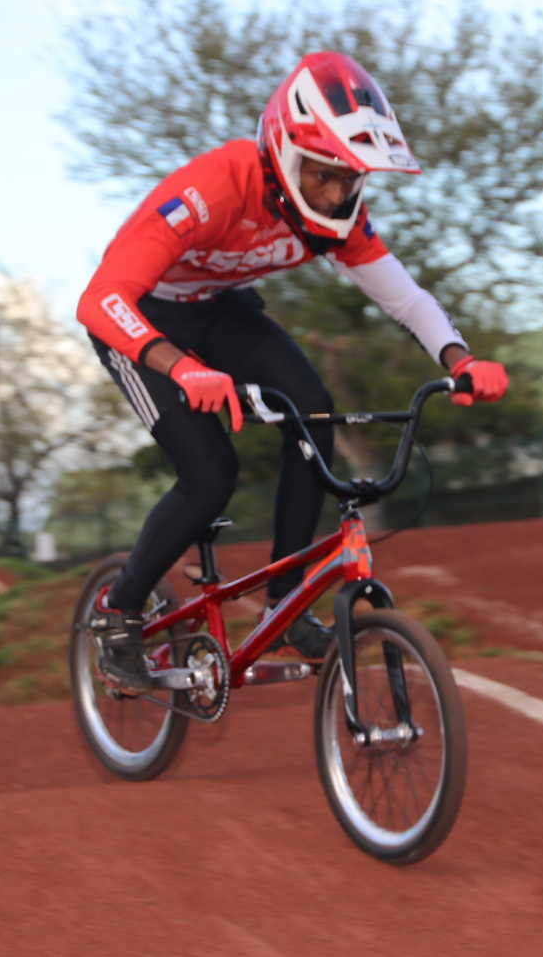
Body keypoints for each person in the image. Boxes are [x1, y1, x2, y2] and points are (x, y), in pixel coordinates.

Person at [75, 52, 510, 693]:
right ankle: (120, 611)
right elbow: (100, 298)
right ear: (283, 152)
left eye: (351, 179)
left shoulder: (335, 219)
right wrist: (184, 369)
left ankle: (283, 603)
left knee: (315, 409)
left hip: (218, 310)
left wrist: (461, 359)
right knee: (210, 475)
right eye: (325, 175)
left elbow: (407, 297)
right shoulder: (210, 188)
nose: (338, 194)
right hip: (142, 324)